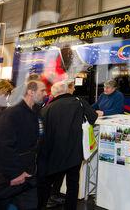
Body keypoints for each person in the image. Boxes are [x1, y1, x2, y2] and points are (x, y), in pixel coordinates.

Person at [0, 80, 46, 210]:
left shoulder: (34, 112)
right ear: (31, 92)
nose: (45, 94)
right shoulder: (13, 113)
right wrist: (15, 173)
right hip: (11, 177)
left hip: (28, 175)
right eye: (42, 90)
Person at [38, 81, 97, 210]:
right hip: (75, 151)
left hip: (53, 152)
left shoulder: (46, 109)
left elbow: (41, 134)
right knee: (73, 183)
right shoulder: (79, 102)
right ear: (66, 90)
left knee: (47, 183)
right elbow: (93, 117)